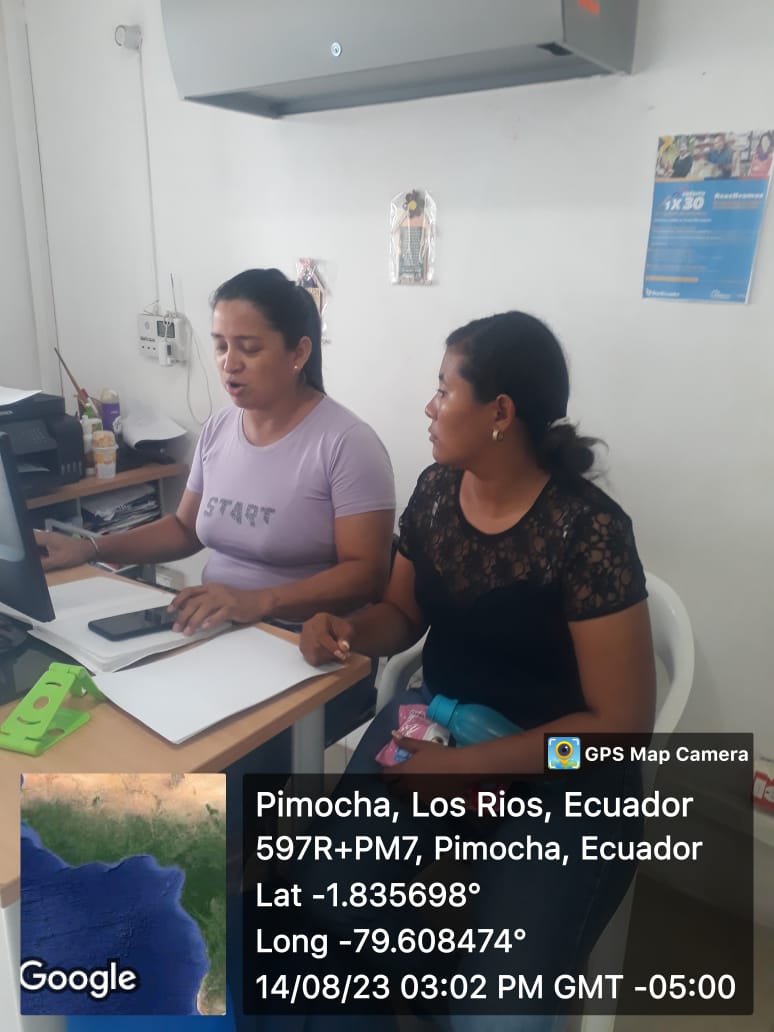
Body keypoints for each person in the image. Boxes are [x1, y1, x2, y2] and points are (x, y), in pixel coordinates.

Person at [37, 267, 396, 1032]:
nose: (229, 363)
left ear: (299, 351)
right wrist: (90, 547)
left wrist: (258, 601)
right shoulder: (220, 430)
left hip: (305, 660)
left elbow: (368, 573)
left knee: (191, 804)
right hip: (210, 638)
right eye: (221, 345)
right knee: (116, 750)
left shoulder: (346, 444)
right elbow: (183, 530)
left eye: (249, 347)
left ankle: (208, 958)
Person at [298, 312, 656, 1032]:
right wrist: (349, 629)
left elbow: (620, 727)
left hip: (561, 769)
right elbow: (402, 614)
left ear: (500, 413)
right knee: (328, 895)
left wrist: (469, 766)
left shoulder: (587, 531)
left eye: (443, 389)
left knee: (501, 1014)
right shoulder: (436, 491)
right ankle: (427, 984)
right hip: (433, 725)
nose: (429, 407)